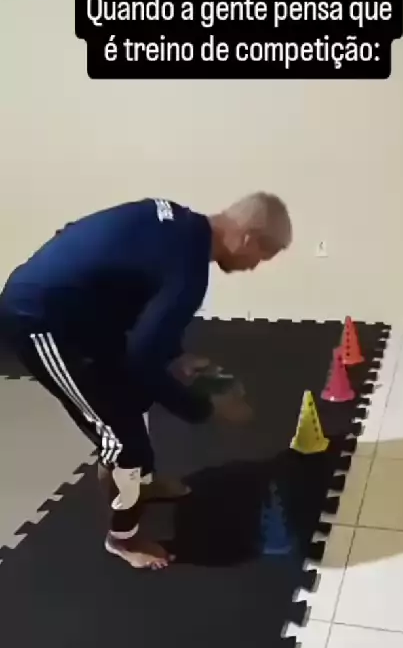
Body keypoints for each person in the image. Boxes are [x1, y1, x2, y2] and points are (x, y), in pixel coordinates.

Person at [0, 193, 292, 570]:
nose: (254, 268)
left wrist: (177, 356)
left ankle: (140, 482)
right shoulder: (189, 270)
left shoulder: (179, 225)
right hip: (37, 321)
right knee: (123, 440)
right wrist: (204, 408)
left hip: (83, 315)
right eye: (262, 257)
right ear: (248, 239)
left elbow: (142, 307)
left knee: (133, 397)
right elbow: (142, 361)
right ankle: (123, 538)